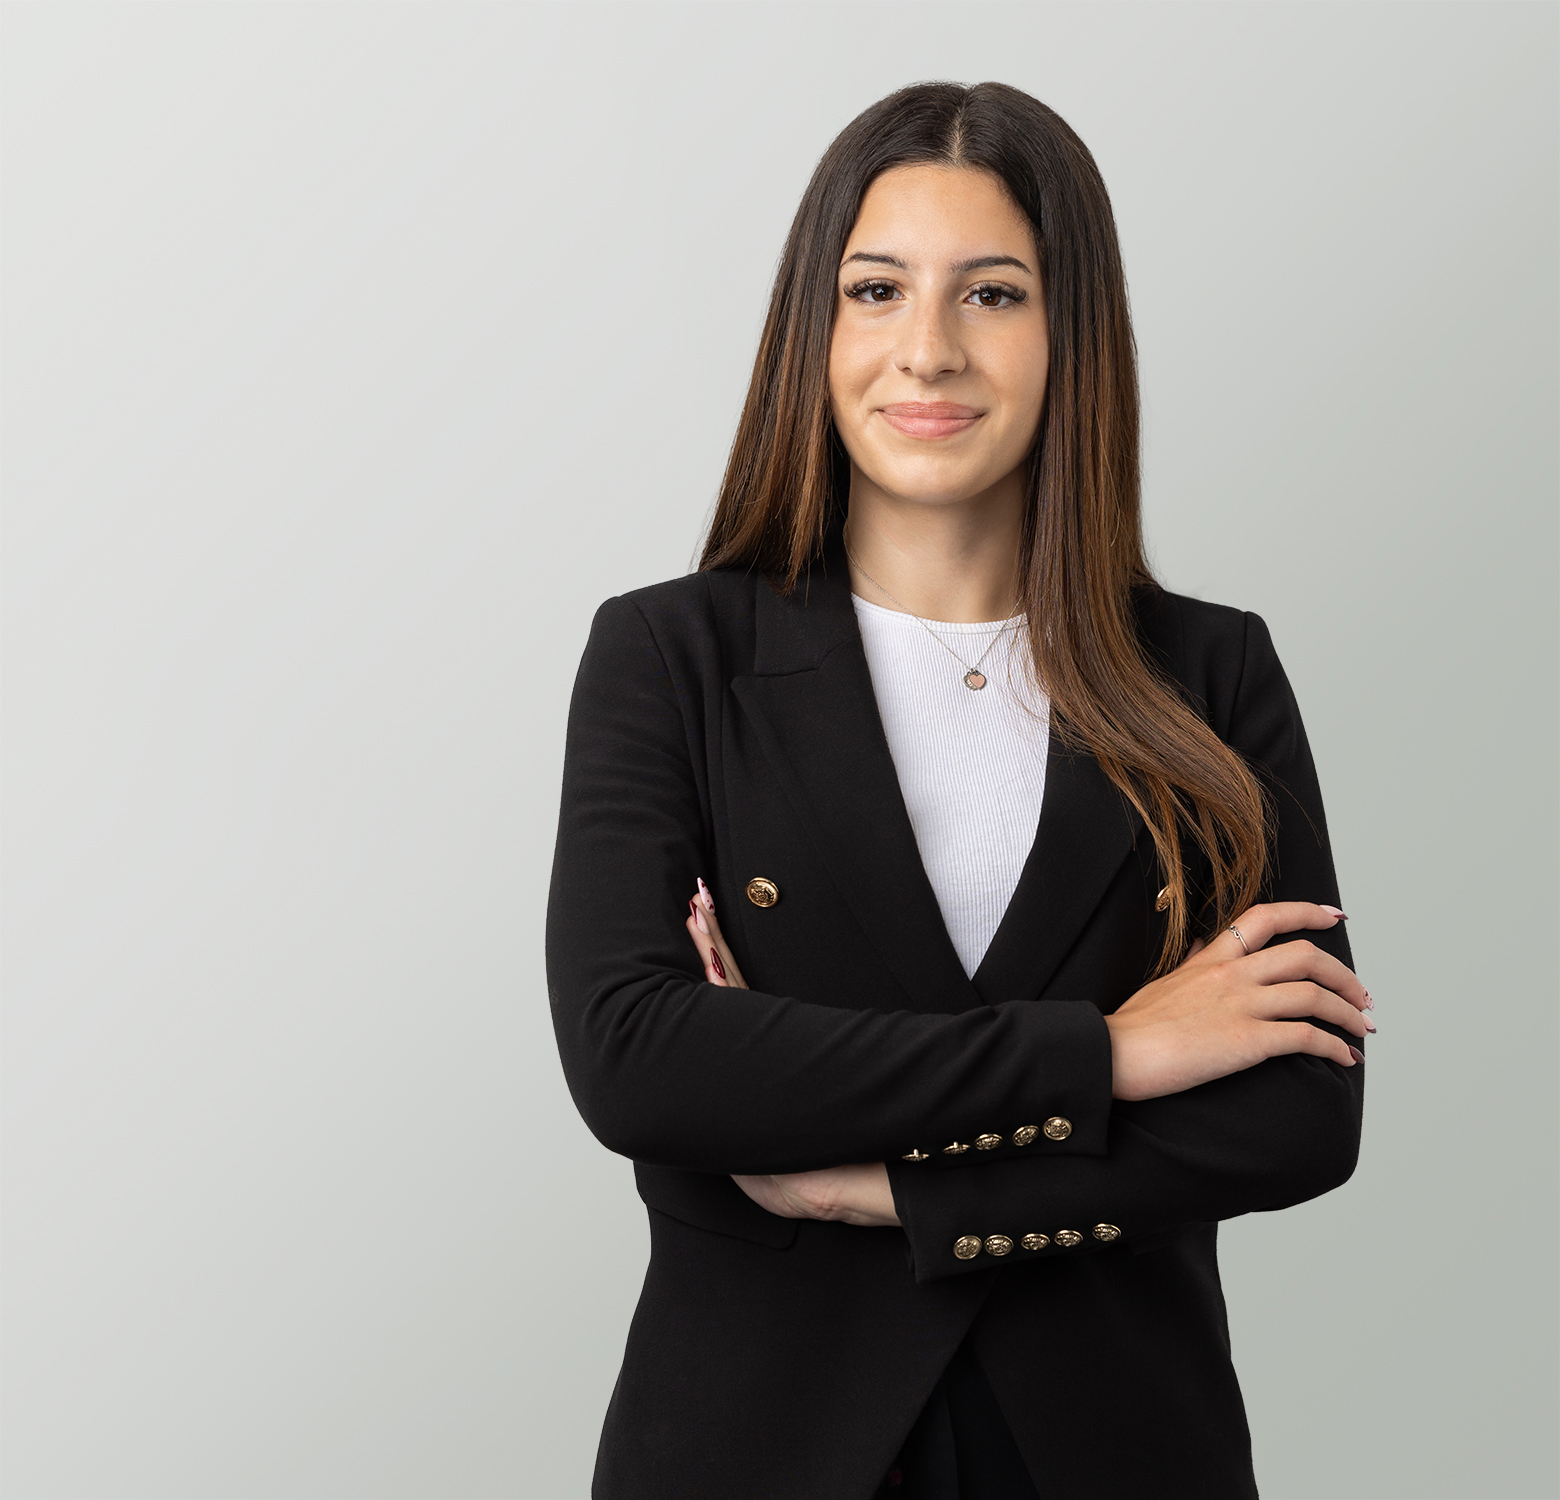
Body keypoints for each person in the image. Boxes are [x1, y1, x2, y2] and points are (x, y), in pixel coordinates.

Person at [546, 80, 1370, 1500]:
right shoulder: (671, 656)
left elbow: (1298, 1107)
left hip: (1116, 1453)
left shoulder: (1210, 671)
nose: (926, 349)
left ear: (1071, 335)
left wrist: (893, 1190)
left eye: (991, 293)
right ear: (814, 330)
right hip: (759, 1449)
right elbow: (639, 1058)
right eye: (876, 290)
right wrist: (1110, 1056)